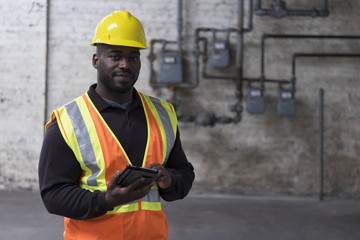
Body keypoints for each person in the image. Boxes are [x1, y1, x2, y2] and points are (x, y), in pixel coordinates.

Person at [38, 11, 195, 240]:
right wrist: (107, 200)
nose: (125, 64)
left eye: (133, 57)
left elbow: (184, 173)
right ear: (96, 60)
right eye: (115, 56)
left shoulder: (162, 114)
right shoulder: (67, 121)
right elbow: (53, 195)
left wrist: (168, 179)